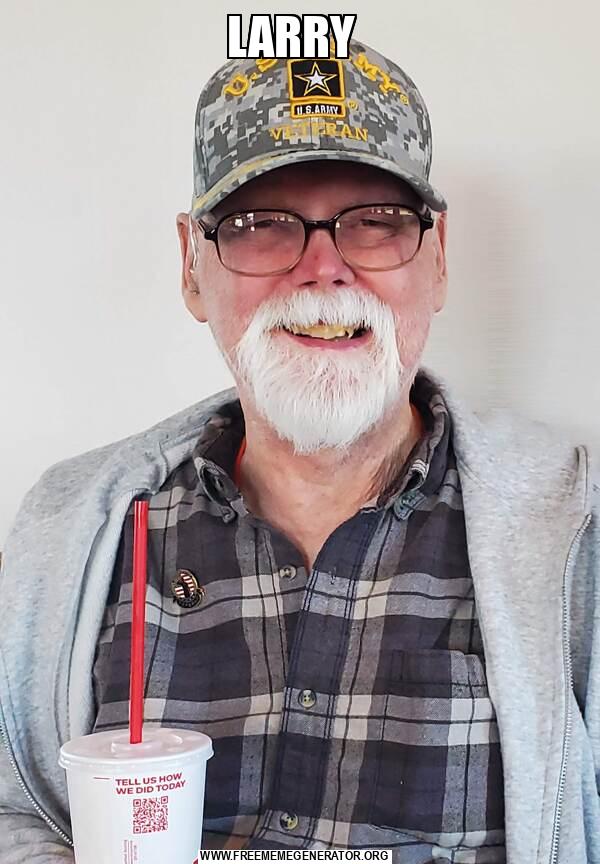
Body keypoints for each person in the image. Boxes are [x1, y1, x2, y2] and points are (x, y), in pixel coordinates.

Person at [0, 37, 599, 864]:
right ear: (191, 266)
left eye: (376, 222)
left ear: (438, 260)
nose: (323, 271)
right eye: (260, 226)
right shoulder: (71, 529)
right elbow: (14, 806)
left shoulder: (577, 529)